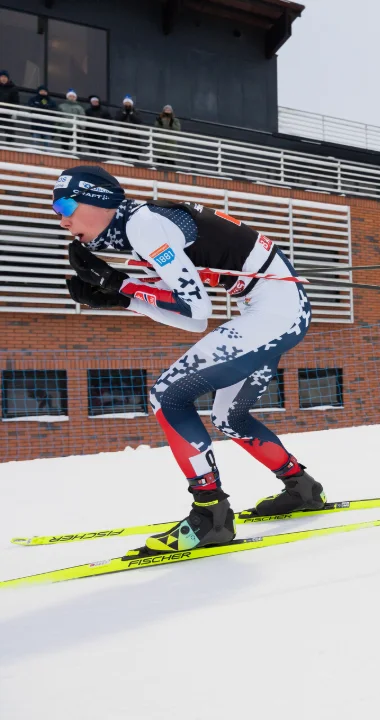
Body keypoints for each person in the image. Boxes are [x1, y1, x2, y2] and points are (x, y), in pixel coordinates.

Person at [53, 165, 322, 553]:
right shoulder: (141, 224)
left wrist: (119, 285)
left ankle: (210, 516)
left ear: (97, 200)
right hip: (277, 313)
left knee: (167, 396)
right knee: (231, 417)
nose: (62, 220)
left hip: (272, 315)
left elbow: (195, 310)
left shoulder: (143, 225)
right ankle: (302, 488)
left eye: (65, 206)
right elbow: (187, 315)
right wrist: (120, 296)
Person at [0, 70, 20, 145]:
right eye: (2, 77)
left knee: (10, 130)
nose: (3, 78)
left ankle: (10, 146)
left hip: (8, 113)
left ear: (8, 78)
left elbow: (16, 102)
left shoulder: (13, 88)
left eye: (5, 77)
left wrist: (14, 112)